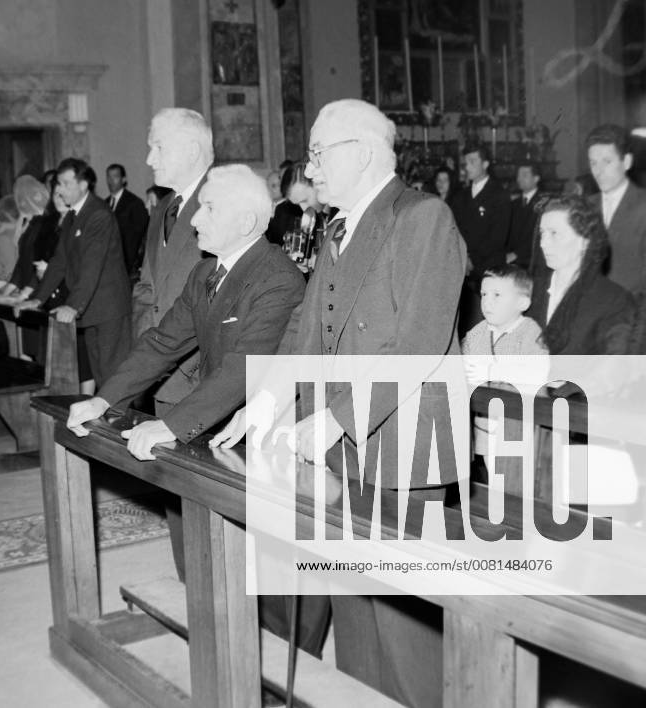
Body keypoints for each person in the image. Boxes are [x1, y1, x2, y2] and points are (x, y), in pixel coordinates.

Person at [213, 98, 467, 708]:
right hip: (338, 458)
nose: (312, 167)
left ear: (365, 152)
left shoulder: (422, 216)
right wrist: (265, 403)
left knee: (405, 638)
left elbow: (420, 344)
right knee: (357, 629)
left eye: (321, 152)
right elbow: (303, 333)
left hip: (402, 450)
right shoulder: (335, 228)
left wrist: (334, 418)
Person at [65, 163, 306, 595]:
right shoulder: (204, 273)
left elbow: (242, 367)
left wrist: (172, 423)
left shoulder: (278, 278)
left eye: (208, 209)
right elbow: (161, 343)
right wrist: (105, 400)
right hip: (219, 422)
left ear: (246, 222)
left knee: (272, 575)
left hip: (266, 435)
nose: (194, 219)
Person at [15, 158, 132, 386]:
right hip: (92, 309)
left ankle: (121, 422)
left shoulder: (98, 214)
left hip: (109, 310)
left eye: (66, 183)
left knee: (114, 379)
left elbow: (92, 265)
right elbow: (60, 261)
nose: (59, 189)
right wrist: (38, 298)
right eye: (58, 183)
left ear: (84, 185)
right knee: (101, 377)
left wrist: (73, 305)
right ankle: (107, 420)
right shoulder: (73, 215)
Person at [131, 108, 213, 413]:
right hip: (159, 372)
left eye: (159, 148)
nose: (150, 159)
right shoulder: (164, 207)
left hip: (200, 378)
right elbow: (146, 287)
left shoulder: (223, 200)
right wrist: (143, 352)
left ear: (192, 151)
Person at [462, 265, 548, 476]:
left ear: (522, 303)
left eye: (497, 295)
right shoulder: (477, 333)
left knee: (514, 481)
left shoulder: (530, 332)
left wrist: (492, 370)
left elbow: (538, 372)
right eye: (484, 294)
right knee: (493, 476)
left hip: (517, 426)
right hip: (484, 425)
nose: (487, 301)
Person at [528, 195, 634, 355]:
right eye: (542, 233)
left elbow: (614, 370)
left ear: (585, 241)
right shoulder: (529, 289)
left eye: (554, 233)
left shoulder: (614, 300)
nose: (543, 243)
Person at [452, 144, 512, 336]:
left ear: (485, 164)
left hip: (488, 268)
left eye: (472, 162)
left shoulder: (499, 195)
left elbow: (498, 237)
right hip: (464, 270)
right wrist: (463, 257)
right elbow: (454, 231)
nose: (467, 167)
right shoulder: (460, 197)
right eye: (465, 163)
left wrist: (472, 260)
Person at [586, 123, 646, 296]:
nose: (598, 171)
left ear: (626, 162)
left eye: (607, 162)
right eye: (593, 163)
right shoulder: (586, 206)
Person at [106, 163, 149, 282]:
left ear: (123, 179)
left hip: (128, 267)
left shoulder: (134, 203)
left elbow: (138, 237)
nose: (111, 181)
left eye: (115, 176)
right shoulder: (104, 204)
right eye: (108, 177)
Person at [507, 162, 543, 269]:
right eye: (518, 175)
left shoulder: (543, 203)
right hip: (512, 260)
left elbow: (537, 235)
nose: (519, 179)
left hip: (532, 261)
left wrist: (517, 254)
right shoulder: (514, 204)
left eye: (524, 175)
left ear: (536, 178)